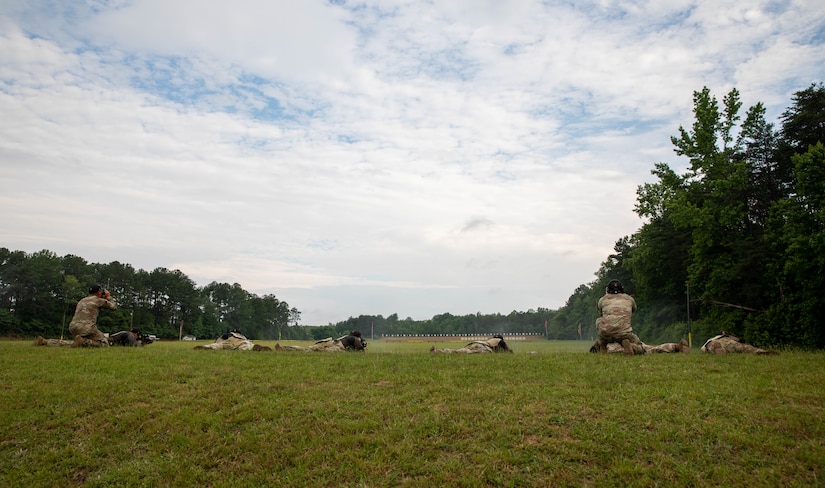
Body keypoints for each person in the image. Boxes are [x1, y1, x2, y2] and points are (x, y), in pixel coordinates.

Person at [596, 279, 643, 355]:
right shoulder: (629, 299)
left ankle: (603, 344)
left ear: (607, 290)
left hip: (606, 333)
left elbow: (601, 314)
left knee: (599, 321)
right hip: (624, 333)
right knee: (640, 347)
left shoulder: (602, 299)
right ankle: (630, 345)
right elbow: (633, 310)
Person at [701, 331, 778, 355]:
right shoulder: (725, 338)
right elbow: (739, 340)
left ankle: (761, 352)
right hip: (726, 345)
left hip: (713, 347)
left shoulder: (711, 340)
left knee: (744, 347)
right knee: (746, 347)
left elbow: (704, 348)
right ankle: (761, 351)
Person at [194, 329, 271, 351]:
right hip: (242, 341)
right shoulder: (241, 336)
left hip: (227, 342)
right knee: (248, 346)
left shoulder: (228, 334)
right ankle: (257, 347)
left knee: (217, 346)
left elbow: (218, 341)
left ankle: (207, 347)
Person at [429, 335, 513, 354]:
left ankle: (438, 351)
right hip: (483, 347)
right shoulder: (499, 340)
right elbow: (507, 349)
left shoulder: (490, 340)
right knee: (466, 353)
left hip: (475, 343)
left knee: (459, 351)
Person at [590, 339, 690, 354]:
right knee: (651, 348)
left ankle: (632, 347)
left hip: (615, 346)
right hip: (629, 336)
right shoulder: (627, 300)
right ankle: (676, 346)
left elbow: (596, 346)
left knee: (648, 349)